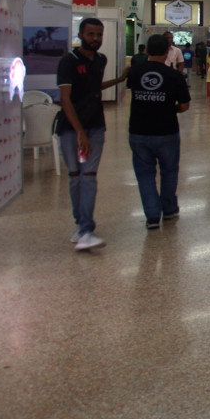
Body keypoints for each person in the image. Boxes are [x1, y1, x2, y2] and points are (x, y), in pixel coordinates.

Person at [56, 17, 128, 251]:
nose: (96, 39)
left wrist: (119, 80)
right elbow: (65, 99)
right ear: (81, 34)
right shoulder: (68, 61)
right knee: (75, 175)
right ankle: (80, 225)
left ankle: (86, 229)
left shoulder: (100, 60)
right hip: (71, 128)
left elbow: (93, 88)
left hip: (96, 125)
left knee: (89, 176)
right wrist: (79, 133)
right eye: (91, 35)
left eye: (99, 35)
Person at [127, 34, 191, 229]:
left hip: (138, 131)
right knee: (169, 170)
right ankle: (169, 209)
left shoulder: (135, 72)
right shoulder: (175, 76)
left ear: (146, 49)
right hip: (167, 130)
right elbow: (185, 105)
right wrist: (170, 108)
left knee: (144, 174)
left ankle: (152, 216)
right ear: (167, 51)